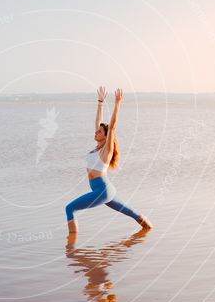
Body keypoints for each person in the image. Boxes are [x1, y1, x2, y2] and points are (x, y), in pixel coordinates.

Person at [65, 86, 153, 234]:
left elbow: (111, 128)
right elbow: (99, 122)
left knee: (70, 208)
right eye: (96, 131)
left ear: (105, 136)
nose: (96, 132)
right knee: (133, 214)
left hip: (102, 190)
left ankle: (71, 248)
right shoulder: (97, 148)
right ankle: (150, 230)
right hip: (104, 190)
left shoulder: (107, 150)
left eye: (99, 132)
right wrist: (100, 102)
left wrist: (118, 103)